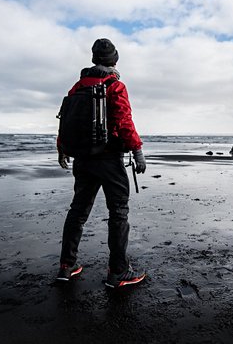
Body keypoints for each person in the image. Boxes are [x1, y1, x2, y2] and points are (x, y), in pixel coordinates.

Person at [56, 38, 147, 289]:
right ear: (114, 60)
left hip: (82, 159)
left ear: (94, 59)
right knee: (118, 212)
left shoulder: (77, 87)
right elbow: (124, 120)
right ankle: (118, 272)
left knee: (78, 211)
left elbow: (65, 120)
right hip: (108, 159)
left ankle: (67, 266)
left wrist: (62, 148)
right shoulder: (114, 85)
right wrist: (137, 150)